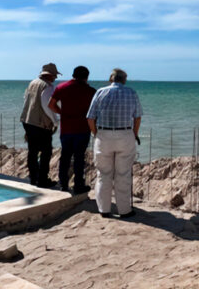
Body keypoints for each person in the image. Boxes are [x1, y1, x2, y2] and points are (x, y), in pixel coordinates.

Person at [86, 67, 142, 218]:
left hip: (104, 134)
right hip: (125, 134)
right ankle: (124, 210)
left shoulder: (100, 92)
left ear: (111, 79)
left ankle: (104, 209)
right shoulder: (131, 93)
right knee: (123, 174)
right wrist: (134, 134)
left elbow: (90, 118)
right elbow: (137, 117)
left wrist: (96, 133)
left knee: (103, 174)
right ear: (124, 80)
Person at [49, 65, 96, 194]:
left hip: (66, 129)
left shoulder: (61, 87)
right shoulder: (90, 91)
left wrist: (62, 113)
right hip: (82, 129)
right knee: (79, 158)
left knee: (65, 157)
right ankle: (78, 185)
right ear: (86, 77)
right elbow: (95, 112)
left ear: (73, 75)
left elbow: (51, 105)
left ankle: (63, 184)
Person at [20, 63, 61, 187]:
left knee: (32, 151)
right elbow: (48, 106)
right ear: (50, 75)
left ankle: (33, 178)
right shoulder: (47, 86)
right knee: (46, 152)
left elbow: (25, 99)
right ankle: (43, 179)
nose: (55, 78)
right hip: (40, 123)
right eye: (54, 75)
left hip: (27, 120)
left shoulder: (33, 83)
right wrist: (55, 121)